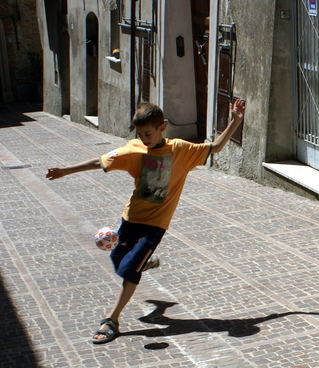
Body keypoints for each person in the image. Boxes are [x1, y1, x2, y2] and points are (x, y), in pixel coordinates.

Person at [46, 99, 246, 344]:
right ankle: (146, 263)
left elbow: (214, 147)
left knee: (129, 270)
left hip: (156, 225)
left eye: (148, 133)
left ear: (162, 127)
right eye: (140, 134)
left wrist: (235, 121)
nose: (144, 138)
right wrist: (66, 170)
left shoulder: (180, 150)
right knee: (117, 260)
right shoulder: (134, 150)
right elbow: (100, 161)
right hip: (130, 218)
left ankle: (112, 319)